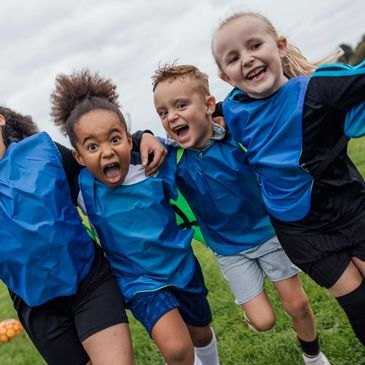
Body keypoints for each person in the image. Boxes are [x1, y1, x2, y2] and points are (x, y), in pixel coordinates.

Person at [152, 63, 331, 365]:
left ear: (209, 105)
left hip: (270, 234)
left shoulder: (238, 136)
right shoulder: (172, 158)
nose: (171, 117)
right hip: (230, 250)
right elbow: (137, 150)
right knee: (264, 321)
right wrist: (146, 135)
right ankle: (254, 314)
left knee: (297, 304)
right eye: (163, 112)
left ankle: (313, 356)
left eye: (181, 105)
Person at [211, 11, 365, 346]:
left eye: (254, 45)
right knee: (359, 305)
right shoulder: (233, 109)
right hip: (301, 231)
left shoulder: (319, 90)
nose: (247, 59)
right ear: (226, 77)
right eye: (234, 57)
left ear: (279, 46)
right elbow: (190, 114)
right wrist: (141, 137)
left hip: (353, 211)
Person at [50, 69, 220, 365]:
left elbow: (196, 142)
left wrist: (148, 136)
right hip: (139, 283)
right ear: (78, 158)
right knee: (178, 349)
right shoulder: (82, 188)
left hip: (182, 268)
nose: (106, 151)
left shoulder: (155, 163)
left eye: (114, 139)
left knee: (201, 333)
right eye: (92, 146)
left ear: (129, 140)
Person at [0, 105, 166, 365]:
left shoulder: (43, 152)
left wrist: (140, 137)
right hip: (38, 307)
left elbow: (96, 157)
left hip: (88, 280)